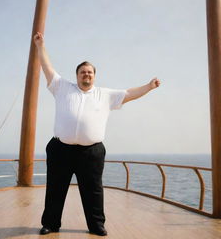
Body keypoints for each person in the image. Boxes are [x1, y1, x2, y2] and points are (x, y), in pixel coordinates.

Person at [33, 32, 161, 236]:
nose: (86, 75)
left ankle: (96, 225)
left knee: (93, 191)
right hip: (60, 149)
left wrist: (149, 86)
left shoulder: (105, 95)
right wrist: (41, 46)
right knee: (55, 189)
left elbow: (129, 94)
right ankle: (50, 223)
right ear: (76, 75)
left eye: (90, 72)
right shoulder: (62, 87)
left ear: (94, 75)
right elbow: (47, 68)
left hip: (91, 152)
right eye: (83, 72)